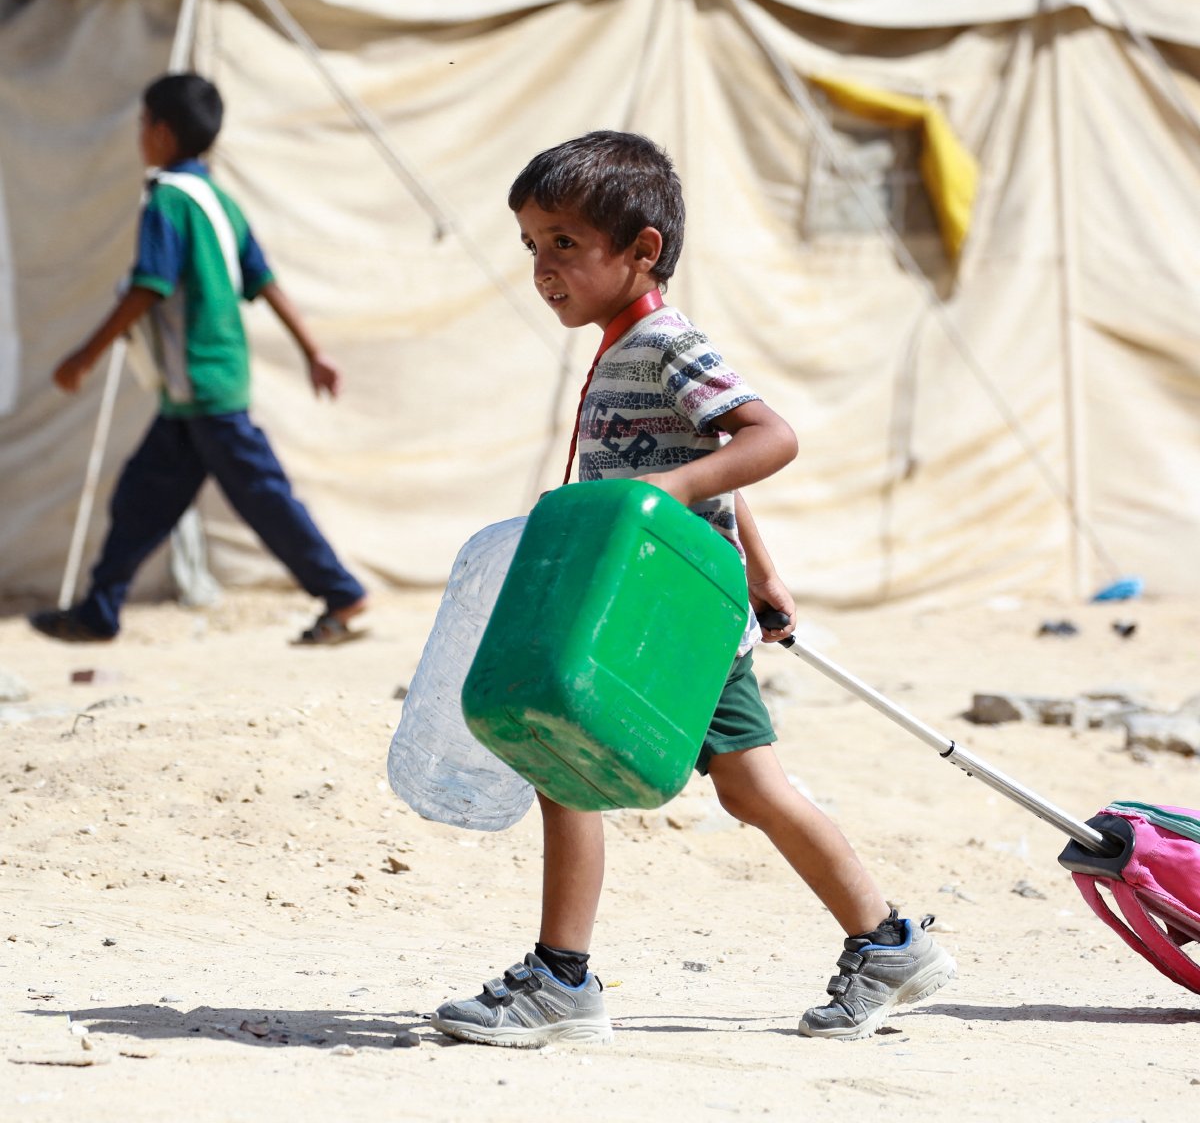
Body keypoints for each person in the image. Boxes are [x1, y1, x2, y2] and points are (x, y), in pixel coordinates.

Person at [430, 131, 955, 1047]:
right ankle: (887, 943)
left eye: (564, 243)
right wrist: (760, 570)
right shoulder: (618, 344)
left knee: (573, 771)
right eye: (531, 246)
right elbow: (715, 464)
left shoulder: (668, 343)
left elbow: (767, 436)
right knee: (751, 791)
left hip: (663, 622)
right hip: (664, 612)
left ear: (642, 250)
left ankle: (561, 983)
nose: (543, 267)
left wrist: (660, 496)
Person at [29, 73, 366, 647]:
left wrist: (85, 355)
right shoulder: (220, 202)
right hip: (195, 391)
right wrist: (314, 351)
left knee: (264, 497)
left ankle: (341, 592)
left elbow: (149, 286)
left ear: (160, 132)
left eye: (142, 126)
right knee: (140, 499)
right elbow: (265, 281)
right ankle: (98, 610)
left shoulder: (166, 201)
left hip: (205, 387)